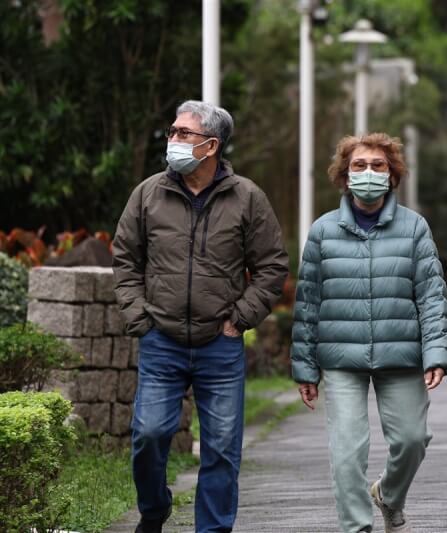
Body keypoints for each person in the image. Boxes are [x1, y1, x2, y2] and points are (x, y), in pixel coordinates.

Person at [112, 100, 289, 533]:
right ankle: (154, 510)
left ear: (211, 145)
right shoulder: (148, 193)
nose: (172, 140)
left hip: (219, 344)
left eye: (182, 134)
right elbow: (124, 258)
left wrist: (239, 320)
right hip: (161, 340)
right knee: (149, 435)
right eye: (172, 131)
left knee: (222, 450)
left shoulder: (247, 197)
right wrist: (140, 318)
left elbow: (271, 266)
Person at [291, 132, 447, 533]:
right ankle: (357, 528)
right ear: (344, 177)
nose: (368, 172)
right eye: (358, 166)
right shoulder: (323, 231)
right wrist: (305, 367)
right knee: (347, 452)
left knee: (413, 439)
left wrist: (436, 353)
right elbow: (307, 302)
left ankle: (389, 496)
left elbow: (432, 296)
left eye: (378, 165)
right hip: (340, 359)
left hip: (402, 355)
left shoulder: (415, 228)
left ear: (392, 175)